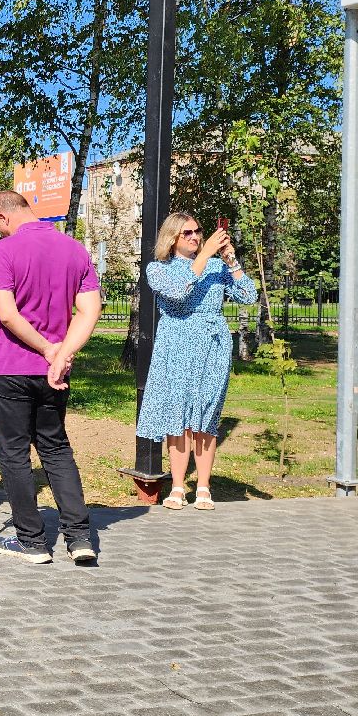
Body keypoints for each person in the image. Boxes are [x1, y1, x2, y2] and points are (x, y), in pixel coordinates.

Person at [0, 189, 101, 564]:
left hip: (11, 367)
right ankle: (80, 537)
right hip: (55, 371)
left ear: (3, 217)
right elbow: (90, 311)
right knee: (56, 447)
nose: (0, 234)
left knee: (14, 453)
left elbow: (7, 314)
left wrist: (48, 348)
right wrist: (62, 353)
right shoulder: (75, 249)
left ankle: (32, 541)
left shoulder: (4, 251)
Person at [139, 213, 256, 510]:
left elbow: (249, 296)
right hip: (176, 345)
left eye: (198, 231)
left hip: (212, 346)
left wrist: (231, 261)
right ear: (173, 238)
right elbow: (178, 292)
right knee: (177, 417)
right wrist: (204, 255)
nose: (195, 237)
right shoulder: (158, 269)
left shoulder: (217, 267)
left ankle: (203, 486)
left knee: (206, 416)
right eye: (187, 233)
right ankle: (178, 487)